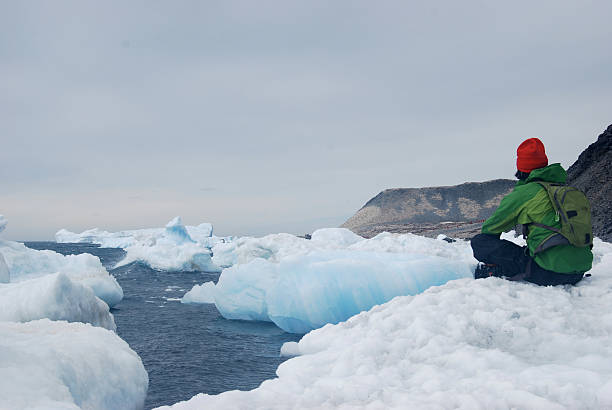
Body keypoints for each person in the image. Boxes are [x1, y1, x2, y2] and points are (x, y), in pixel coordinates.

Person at [471, 138, 593, 286]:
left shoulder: (525, 193)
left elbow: (490, 230)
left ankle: (495, 271)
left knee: (480, 242)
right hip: (578, 272)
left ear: (520, 167)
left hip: (548, 273)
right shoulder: (565, 191)